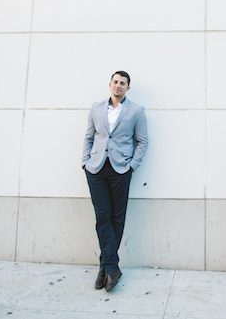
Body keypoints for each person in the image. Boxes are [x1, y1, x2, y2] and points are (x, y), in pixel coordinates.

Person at [82, 71, 148, 292]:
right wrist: (85, 162)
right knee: (102, 217)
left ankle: (105, 267)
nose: (118, 86)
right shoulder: (96, 108)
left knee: (116, 217)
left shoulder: (136, 110)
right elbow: (89, 137)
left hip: (120, 169)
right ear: (110, 84)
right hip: (96, 168)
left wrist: (132, 166)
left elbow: (142, 141)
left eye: (123, 83)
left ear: (128, 88)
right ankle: (111, 266)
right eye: (116, 82)